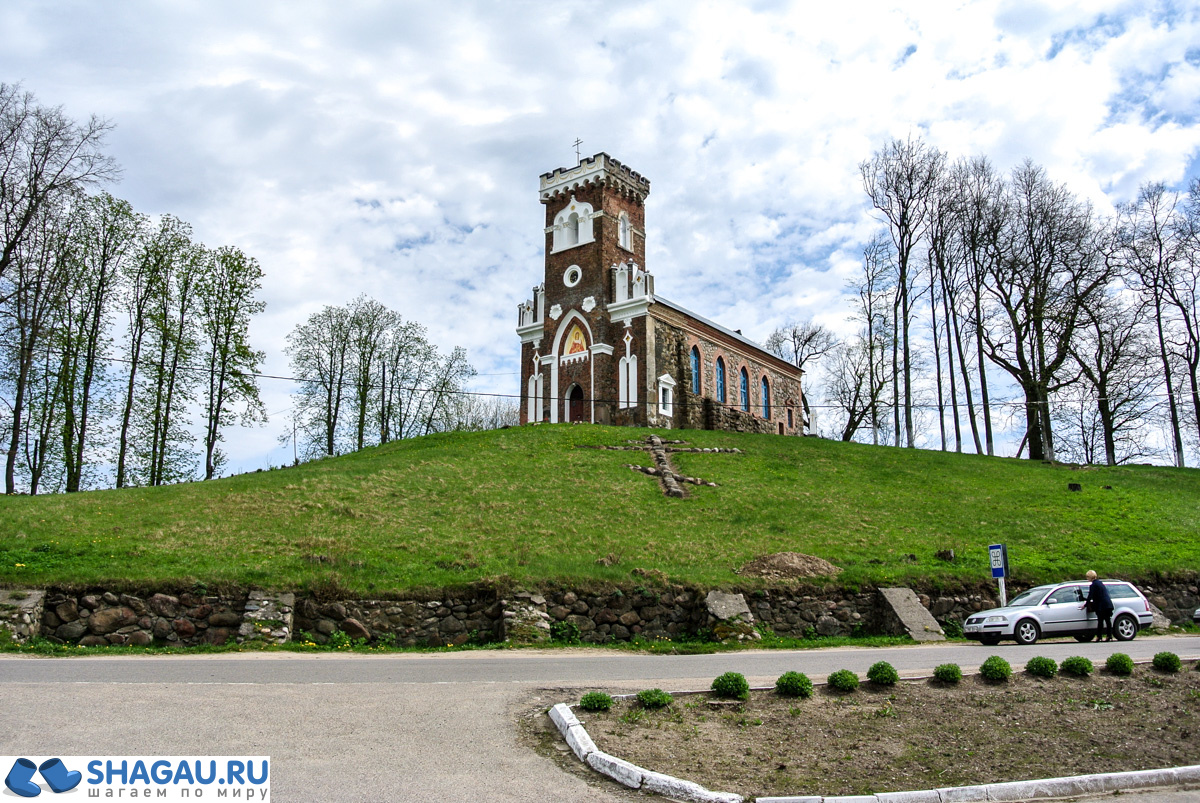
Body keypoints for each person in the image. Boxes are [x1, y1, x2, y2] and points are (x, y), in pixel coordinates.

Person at [1081, 570, 1114, 641]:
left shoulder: (1093, 585)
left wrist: (1085, 605)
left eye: (1087, 577)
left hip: (1101, 606)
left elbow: (1090, 596)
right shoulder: (1100, 583)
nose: (1087, 579)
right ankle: (1109, 635)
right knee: (1108, 621)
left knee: (1100, 621)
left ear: (1089, 577)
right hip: (1108, 604)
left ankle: (1099, 636)